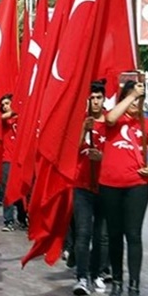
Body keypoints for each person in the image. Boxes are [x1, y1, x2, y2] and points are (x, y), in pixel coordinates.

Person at [100, 80, 148, 296]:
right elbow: (110, 118)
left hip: (137, 185)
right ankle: (117, 281)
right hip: (110, 184)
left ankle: (134, 285)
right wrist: (132, 94)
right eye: (131, 98)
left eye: (139, 99)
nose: (135, 103)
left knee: (133, 235)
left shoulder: (144, 124)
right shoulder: (113, 119)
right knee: (114, 234)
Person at [71, 80, 109, 295]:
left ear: (104, 99)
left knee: (101, 235)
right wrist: (83, 130)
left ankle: (98, 273)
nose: (95, 102)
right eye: (92, 98)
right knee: (83, 232)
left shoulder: (111, 122)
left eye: (98, 98)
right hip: (82, 185)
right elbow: (70, 151)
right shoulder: (81, 121)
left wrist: (102, 157)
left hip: (105, 186)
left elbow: (117, 152)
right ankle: (82, 277)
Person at [0, 94, 27, 232]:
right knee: (7, 190)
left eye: (7, 103)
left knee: (22, 190)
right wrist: (15, 111)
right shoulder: (3, 120)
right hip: (7, 159)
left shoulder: (23, 118)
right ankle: (8, 220)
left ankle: (22, 217)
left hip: (22, 159)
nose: (5, 106)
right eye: (3, 104)